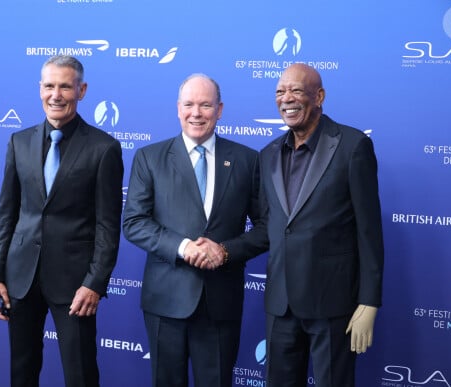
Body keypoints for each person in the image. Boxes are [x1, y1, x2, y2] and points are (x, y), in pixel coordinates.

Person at [0, 55, 124, 387]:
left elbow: (108, 225)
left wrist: (94, 283)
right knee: (22, 372)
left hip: (75, 285)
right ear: (40, 89)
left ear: (82, 90)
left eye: (65, 86)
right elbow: (7, 213)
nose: (56, 94)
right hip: (21, 278)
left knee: (80, 374)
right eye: (49, 85)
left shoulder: (104, 148)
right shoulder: (19, 142)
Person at [122, 73, 268, 387]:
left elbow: (267, 229)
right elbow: (134, 223)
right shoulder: (149, 158)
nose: (196, 113)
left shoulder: (247, 160)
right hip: (165, 301)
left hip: (220, 302)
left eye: (205, 105)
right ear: (178, 108)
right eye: (189, 104)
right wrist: (183, 246)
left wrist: (225, 251)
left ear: (220, 109)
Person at [259, 63, 384, 387]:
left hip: (332, 303)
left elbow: (369, 232)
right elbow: (272, 227)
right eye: (279, 92)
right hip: (280, 303)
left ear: (319, 96)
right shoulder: (268, 154)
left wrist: (369, 301)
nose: (286, 98)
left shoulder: (352, 146)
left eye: (296, 90)